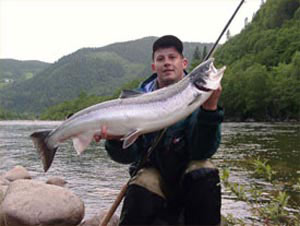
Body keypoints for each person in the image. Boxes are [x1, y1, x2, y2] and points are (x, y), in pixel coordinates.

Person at [95, 35, 224, 225]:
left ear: (183, 62)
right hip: (153, 177)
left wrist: (210, 110)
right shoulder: (134, 101)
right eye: (161, 59)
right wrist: (115, 140)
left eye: (172, 57)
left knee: (204, 171)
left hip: (187, 177)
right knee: (142, 183)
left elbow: (203, 151)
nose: (167, 63)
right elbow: (127, 157)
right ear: (153, 66)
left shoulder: (198, 97)